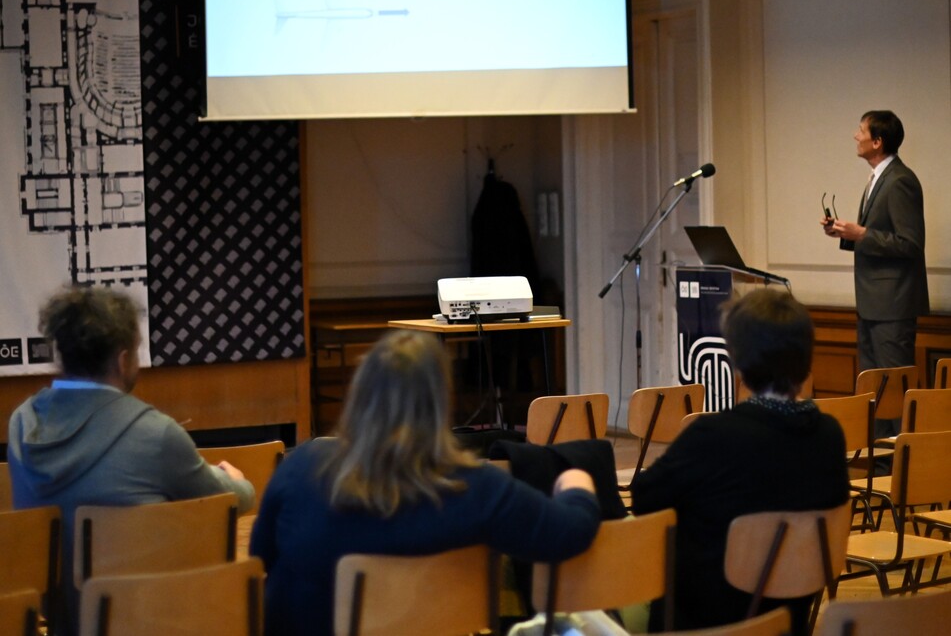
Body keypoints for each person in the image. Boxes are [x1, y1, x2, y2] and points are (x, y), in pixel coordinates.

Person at [250, 329, 601, 636]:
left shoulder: (301, 467)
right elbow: (569, 534)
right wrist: (576, 482)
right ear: (439, 403)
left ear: (359, 394)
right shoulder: (478, 488)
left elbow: (258, 561)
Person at [7, 285, 255, 633]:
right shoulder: (156, 434)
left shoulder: (21, 423)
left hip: (60, 622)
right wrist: (239, 483)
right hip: (144, 621)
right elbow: (230, 499)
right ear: (122, 360)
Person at [631, 288, 849, 635]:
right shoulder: (830, 435)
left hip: (703, 623)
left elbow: (644, 497)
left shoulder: (713, 435)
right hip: (788, 622)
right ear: (806, 359)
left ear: (739, 363)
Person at [821, 111, 928, 397]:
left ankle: (897, 431)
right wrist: (845, 234)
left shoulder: (900, 180)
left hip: (893, 307)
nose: (856, 136)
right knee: (873, 392)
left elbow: (911, 243)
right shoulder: (878, 179)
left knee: (892, 392)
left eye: (861, 131)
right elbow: (878, 236)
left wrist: (862, 234)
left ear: (878, 142)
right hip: (872, 305)